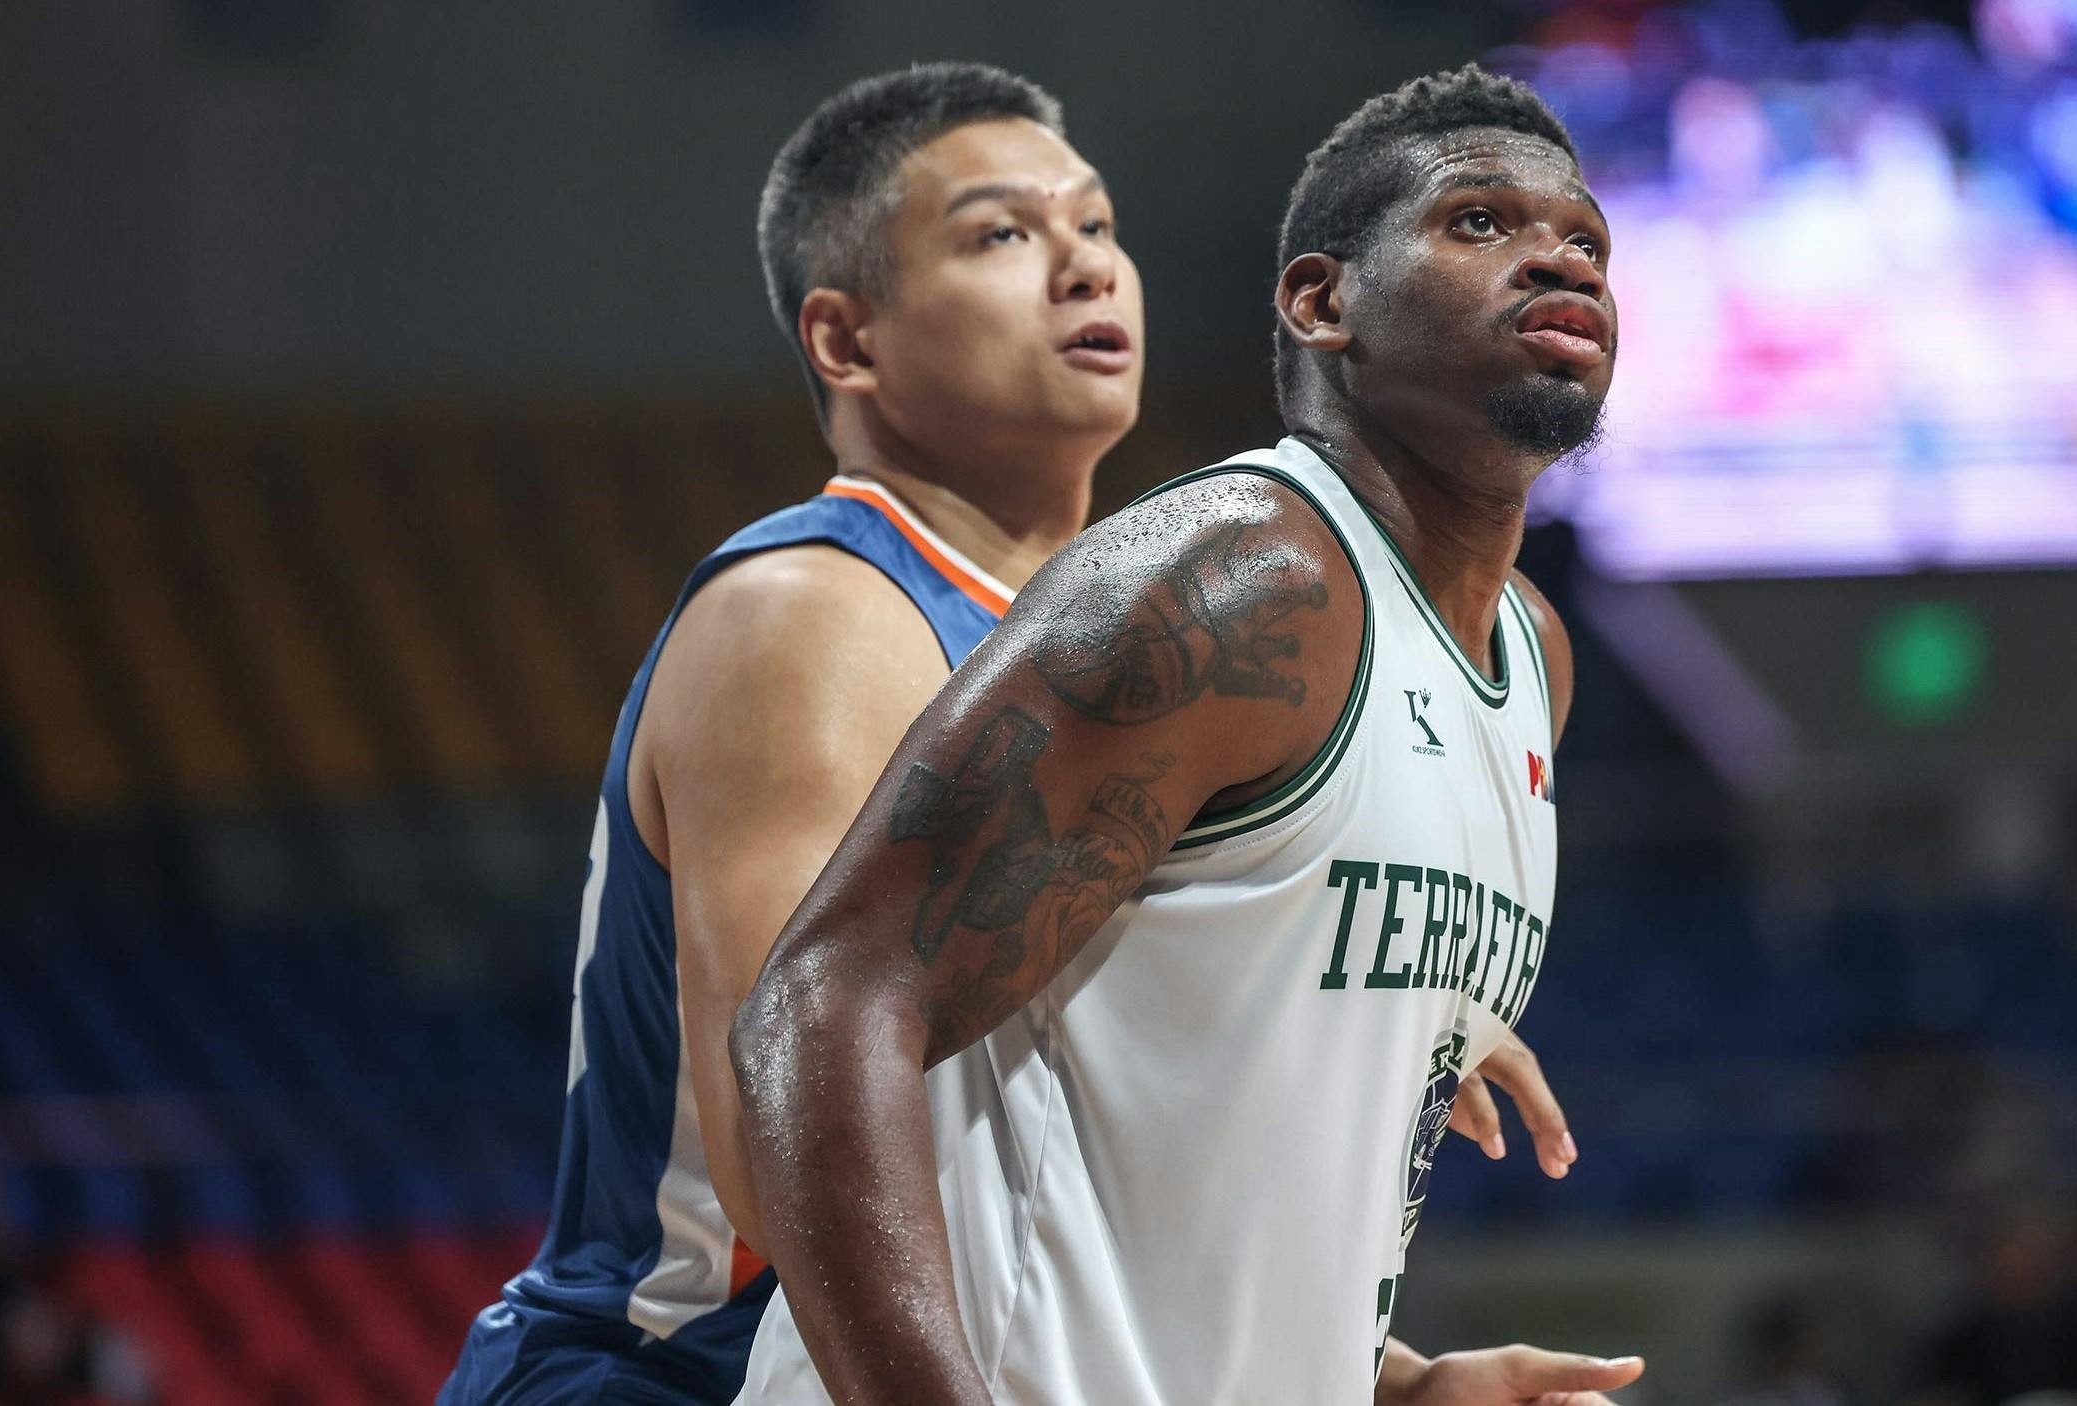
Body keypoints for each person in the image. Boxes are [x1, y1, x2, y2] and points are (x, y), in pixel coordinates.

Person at [442, 62, 1579, 1406]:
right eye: (1001, 234)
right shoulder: (817, 617)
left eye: (1097, 225)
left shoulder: (1163, 647)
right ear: (847, 340)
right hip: (671, 1370)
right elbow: (790, 1115)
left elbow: (1069, 1181)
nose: (1084, 266)